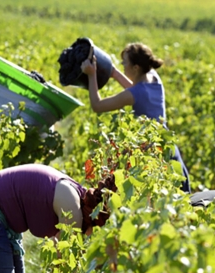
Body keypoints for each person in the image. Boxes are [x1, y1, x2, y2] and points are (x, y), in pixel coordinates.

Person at [81, 42, 191, 193]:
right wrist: (113, 73)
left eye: (124, 63)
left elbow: (97, 105)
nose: (122, 65)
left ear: (135, 68)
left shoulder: (134, 94)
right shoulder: (153, 77)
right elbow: (136, 88)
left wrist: (91, 75)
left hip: (154, 154)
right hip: (168, 148)